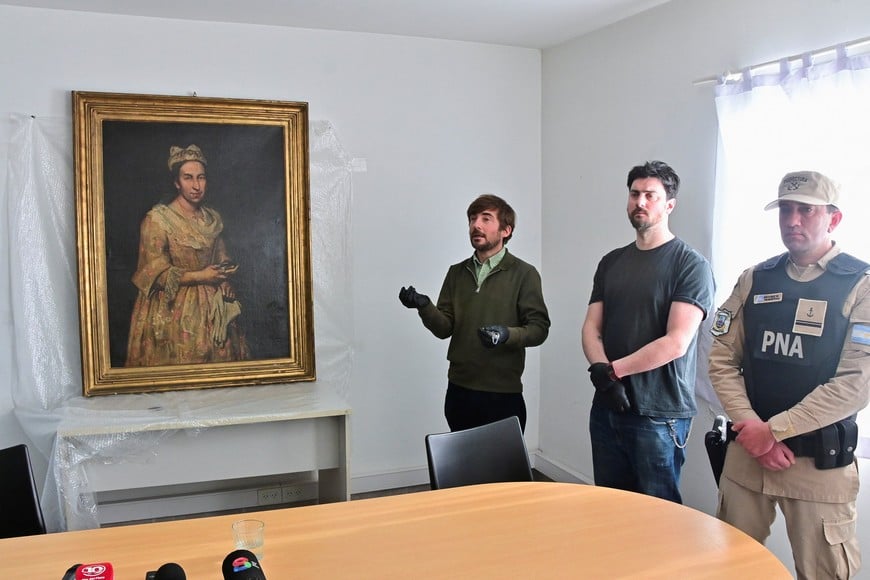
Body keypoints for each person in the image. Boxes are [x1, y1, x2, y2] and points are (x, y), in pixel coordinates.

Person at [709, 170, 870, 579]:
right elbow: (722, 359)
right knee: (730, 566)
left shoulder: (861, 284)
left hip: (818, 467)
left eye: (806, 211)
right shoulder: (755, 278)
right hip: (748, 456)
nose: (792, 220)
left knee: (824, 573)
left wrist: (774, 430)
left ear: (833, 219)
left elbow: (857, 381)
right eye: (785, 210)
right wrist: (754, 430)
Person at [581, 160, 715, 503]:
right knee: (610, 507)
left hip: (658, 416)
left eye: (650, 196)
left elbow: (676, 342)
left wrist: (612, 372)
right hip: (608, 407)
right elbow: (592, 327)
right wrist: (603, 375)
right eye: (634, 194)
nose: (640, 202)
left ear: (669, 205)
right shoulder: (611, 262)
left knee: (659, 518)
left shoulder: (690, 265)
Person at [398, 194, 550, 432]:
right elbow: (444, 329)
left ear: (506, 230)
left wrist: (506, 334)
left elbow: (539, 329)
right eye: (472, 219)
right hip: (459, 390)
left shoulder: (524, 274)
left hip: (502, 394)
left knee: (501, 468)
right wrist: (424, 306)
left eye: (486, 219)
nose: (476, 225)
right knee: (463, 467)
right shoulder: (456, 273)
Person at [126, 144, 250, 366]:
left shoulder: (211, 218)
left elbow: (222, 257)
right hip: (172, 309)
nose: (196, 186)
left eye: (201, 178)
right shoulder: (158, 220)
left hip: (213, 306)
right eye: (188, 178)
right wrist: (201, 276)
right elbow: (155, 273)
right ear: (176, 182)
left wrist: (224, 281)